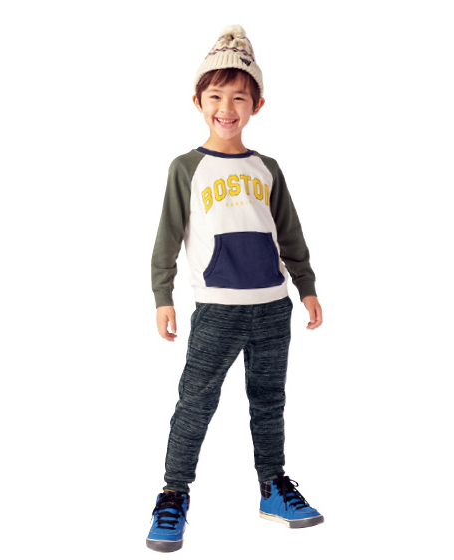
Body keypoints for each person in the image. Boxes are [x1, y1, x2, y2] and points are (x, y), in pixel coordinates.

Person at [146, 25, 324, 553]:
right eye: (216, 96)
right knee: (195, 404)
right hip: (217, 309)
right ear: (198, 101)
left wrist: (306, 285)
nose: (227, 108)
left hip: (272, 307)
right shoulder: (187, 168)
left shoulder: (267, 169)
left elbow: (289, 232)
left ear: (257, 105)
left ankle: (273, 486)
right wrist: (162, 295)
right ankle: (173, 494)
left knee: (269, 401)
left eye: (239, 98)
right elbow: (167, 236)